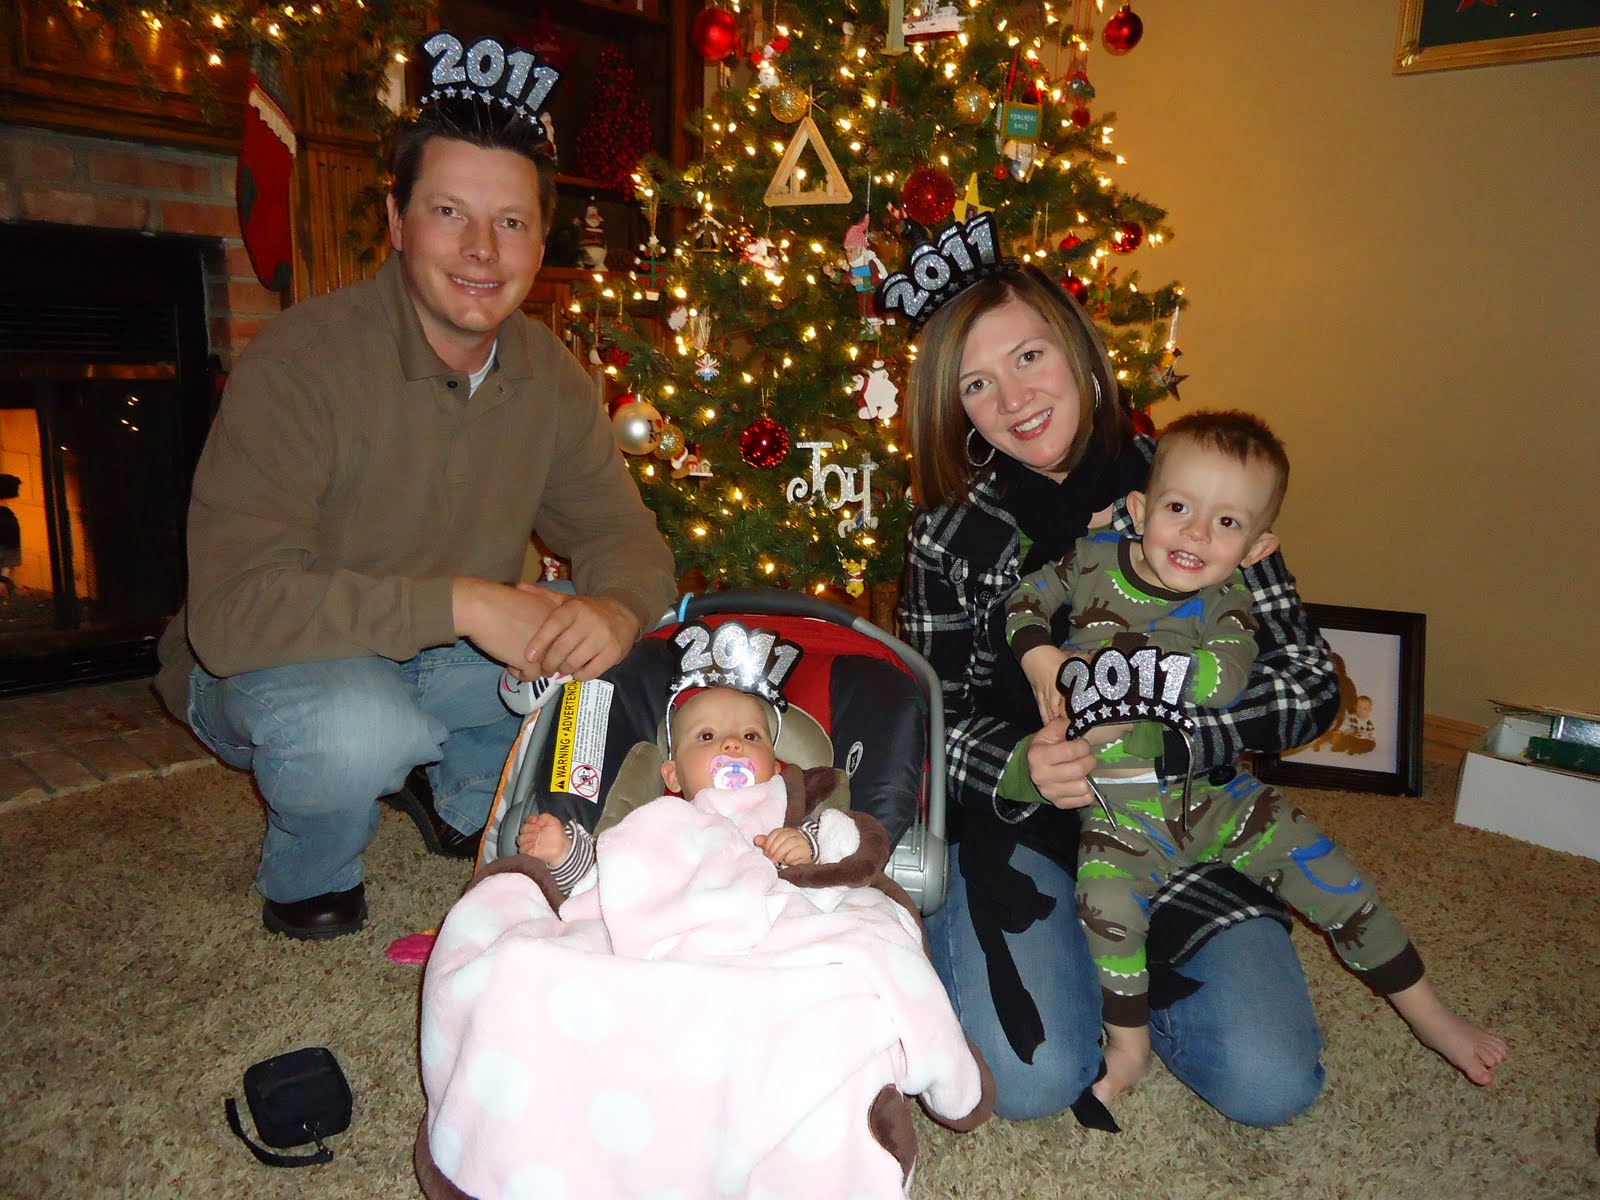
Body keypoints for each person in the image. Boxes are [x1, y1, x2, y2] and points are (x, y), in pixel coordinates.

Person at [153, 67, 677, 941]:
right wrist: (466, 604)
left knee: (630, 664)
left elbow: (624, 535)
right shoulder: (300, 365)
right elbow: (234, 614)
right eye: (448, 212)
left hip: (450, 657)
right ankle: (312, 870)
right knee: (360, 726)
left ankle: (458, 787)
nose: (482, 249)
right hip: (283, 662)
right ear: (398, 222)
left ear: (540, 241)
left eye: (510, 222)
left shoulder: (546, 371)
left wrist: (616, 610)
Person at [890, 245, 1342, 1129]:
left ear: (1077, 349)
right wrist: (1020, 763)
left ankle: (1120, 969)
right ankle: (1046, 955)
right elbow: (926, 710)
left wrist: (1188, 738)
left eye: (1029, 356)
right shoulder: (946, 534)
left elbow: (1310, 681)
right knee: (1029, 1083)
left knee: (1272, 1084)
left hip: (1177, 819)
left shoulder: (1194, 481)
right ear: (958, 409)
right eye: (978, 384)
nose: (1014, 399)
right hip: (1021, 828)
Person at [1002, 409, 1507, 1109]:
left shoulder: (1230, 601)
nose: (1196, 534)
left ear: (1256, 547)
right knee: (1105, 906)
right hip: (1119, 811)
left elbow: (1225, 680)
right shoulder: (1090, 561)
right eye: (1178, 508)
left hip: (1218, 799)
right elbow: (1026, 597)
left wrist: (1125, 682)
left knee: (1333, 874)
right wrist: (1040, 653)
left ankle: (1430, 1014)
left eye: (1227, 523)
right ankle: (1129, 1045)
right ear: (1140, 509)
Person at [516, 685, 853, 895]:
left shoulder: (786, 813)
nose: (732, 743)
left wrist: (808, 848)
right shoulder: (663, 820)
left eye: (750, 736)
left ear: (775, 769)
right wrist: (563, 852)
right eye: (707, 736)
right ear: (673, 776)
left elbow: (842, 840)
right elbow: (614, 872)